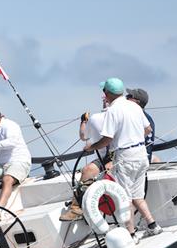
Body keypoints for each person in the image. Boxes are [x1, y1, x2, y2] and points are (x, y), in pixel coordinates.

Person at [84, 78, 162, 238]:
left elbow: (106, 140)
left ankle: (131, 235)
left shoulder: (113, 111)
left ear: (107, 93)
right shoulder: (134, 106)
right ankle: (153, 225)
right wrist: (133, 138)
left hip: (125, 157)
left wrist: (90, 147)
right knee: (137, 195)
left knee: (124, 198)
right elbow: (147, 129)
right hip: (141, 154)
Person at [60, 101, 112, 222]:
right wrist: (84, 121)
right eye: (104, 100)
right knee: (88, 170)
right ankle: (76, 208)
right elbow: (84, 136)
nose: (105, 101)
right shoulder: (97, 118)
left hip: (123, 156)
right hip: (104, 158)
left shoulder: (124, 115)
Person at [126, 88, 157, 162]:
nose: (126, 98)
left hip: (135, 160)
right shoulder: (147, 118)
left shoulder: (136, 117)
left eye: (129, 96)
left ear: (137, 102)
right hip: (142, 159)